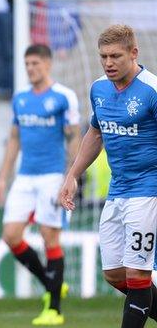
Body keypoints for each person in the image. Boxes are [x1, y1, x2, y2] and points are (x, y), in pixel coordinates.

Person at [59, 25, 157, 328]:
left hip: (148, 190)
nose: (108, 62)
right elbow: (96, 132)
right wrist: (73, 174)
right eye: (103, 56)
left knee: (137, 274)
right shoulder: (99, 89)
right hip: (118, 191)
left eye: (115, 56)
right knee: (114, 274)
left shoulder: (152, 90)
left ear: (134, 53)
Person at [0, 44, 80, 325]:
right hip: (25, 176)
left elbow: (74, 136)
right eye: (27, 64)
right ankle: (51, 283)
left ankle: (54, 309)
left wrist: (71, 175)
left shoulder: (63, 97)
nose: (30, 69)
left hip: (52, 175)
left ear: (47, 64)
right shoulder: (20, 99)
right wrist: (3, 176)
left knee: (49, 236)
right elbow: (14, 138)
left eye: (35, 63)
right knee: (11, 235)